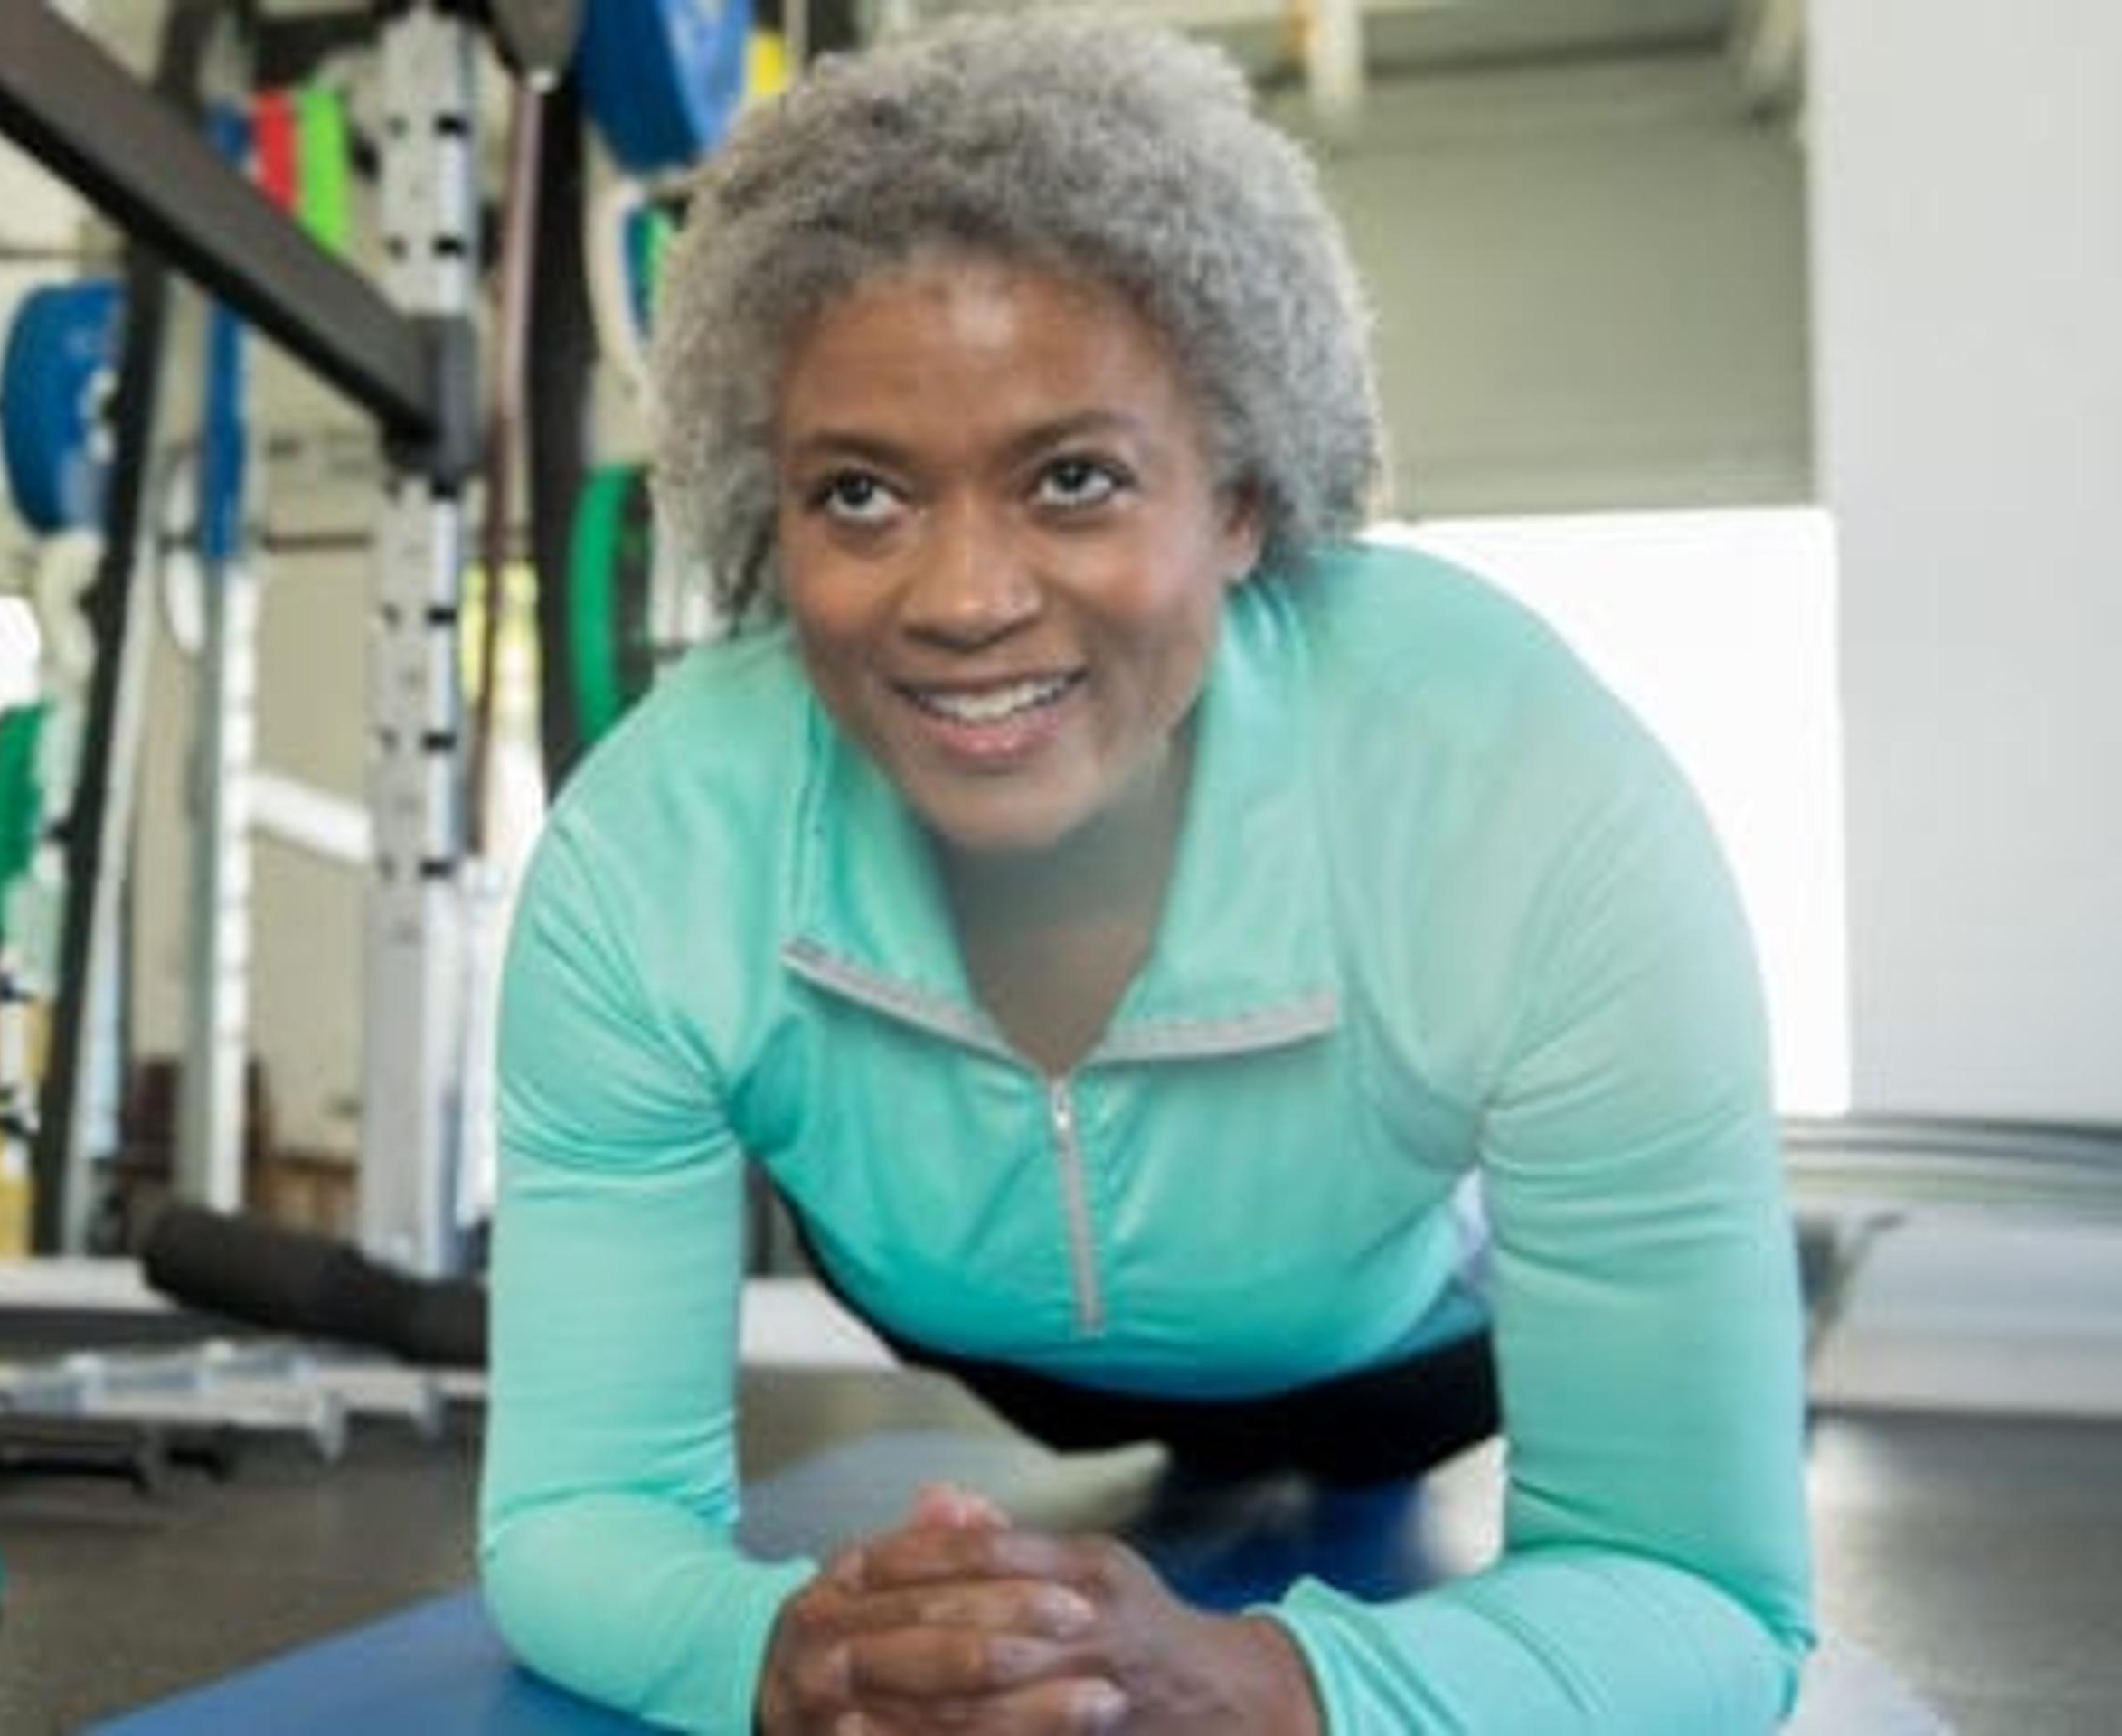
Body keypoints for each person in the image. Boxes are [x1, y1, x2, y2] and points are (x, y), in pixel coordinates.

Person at [477, 12, 1814, 1733]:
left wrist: (1259, 1686)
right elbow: (574, 1524)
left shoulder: (1528, 799)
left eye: (1076, 477)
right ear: (768, 513)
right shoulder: (653, 854)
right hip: (977, 1342)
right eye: (863, 495)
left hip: (1410, 1360)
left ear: (1245, 499)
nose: (961, 597)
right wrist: (784, 1658)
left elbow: (1707, 1591)